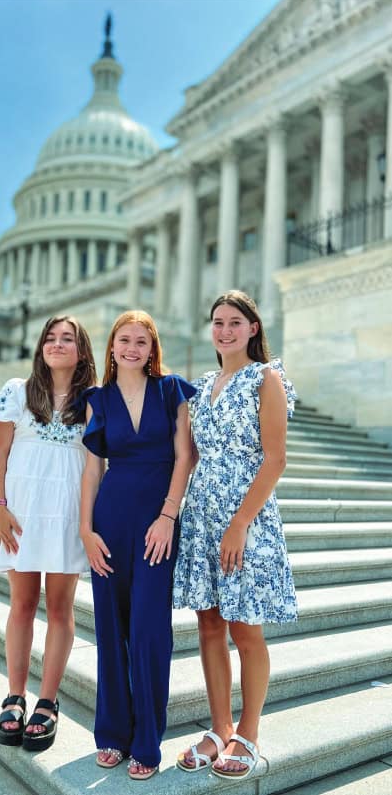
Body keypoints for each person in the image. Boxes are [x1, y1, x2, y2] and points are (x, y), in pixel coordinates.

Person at [173, 290, 298, 781]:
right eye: (218, 322)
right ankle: (219, 725)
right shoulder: (201, 387)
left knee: (245, 629)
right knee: (208, 627)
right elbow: (192, 456)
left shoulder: (265, 378)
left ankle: (248, 731)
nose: (224, 330)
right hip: (202, 517)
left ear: (252, 329)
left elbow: (276, 458)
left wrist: (240, 523)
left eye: (234, 322)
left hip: (245, 520)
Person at [79, 310, 194, 781]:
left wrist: (168, 516)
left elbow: (185, 457)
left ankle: (147, 740)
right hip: (109, 519)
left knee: (149, 630)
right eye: (124, 339)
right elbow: (92, 470)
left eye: (142, 342)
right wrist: (85, 531)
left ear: (153, 349)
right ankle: (112, 733)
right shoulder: (97, 398)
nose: (132, 348)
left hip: (157, 521)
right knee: (110, 627)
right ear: (112, 346)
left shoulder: (172, 390)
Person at [0, 315, 96, 751]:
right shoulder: (16, 390)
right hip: (20, 514)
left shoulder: (93, 401)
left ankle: (48, 702)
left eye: (67, 338)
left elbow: (94, 465)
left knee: (61, 609)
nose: (56, 344)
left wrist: (87, 523)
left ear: (82, 350)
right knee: (23, 603)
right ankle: (15, 695)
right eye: (50, 337)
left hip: (67, 513)